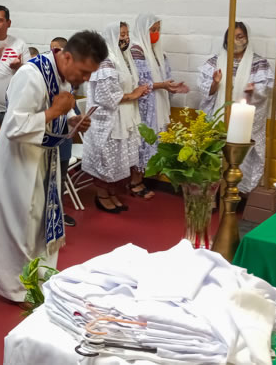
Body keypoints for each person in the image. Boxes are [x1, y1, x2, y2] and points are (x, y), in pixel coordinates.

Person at [0, 30, 106, 302]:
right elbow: (13, 126)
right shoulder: (31, 75)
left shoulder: (63, 75)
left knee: (40, 222)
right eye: (84, 72)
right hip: (19, 162)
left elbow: (60, 108)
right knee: (22, 224)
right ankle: (14, 287)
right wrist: (55, 113)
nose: (85, 79)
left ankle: (39, 277)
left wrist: (72, 121)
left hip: (44, 158)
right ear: (68, 57)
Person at [82, 22, 151, 214]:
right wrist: (134, 94)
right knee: (107, 160)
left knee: (118, 160)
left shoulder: (123, 58)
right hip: (107, 122)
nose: (126, 38)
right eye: (122, 35)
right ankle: (101, 196)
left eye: (127, 34)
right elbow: (105, 96)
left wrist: (138, 91)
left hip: (123, 117)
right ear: (111, 36)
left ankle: (112, 193)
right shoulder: (105, 61)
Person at [198, 22, 273, 193]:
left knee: (240, 158)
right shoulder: (215, 62)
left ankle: (235, 194)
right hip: (220, 118)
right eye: (232, 38)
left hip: (242, 121)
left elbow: (265, 89)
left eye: (240, 36)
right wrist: (215, 83)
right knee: (214, 157)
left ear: (247, 38)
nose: (237, 41)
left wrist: (254, 90)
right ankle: (213, 197)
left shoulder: (258, 63)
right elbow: (205, 90)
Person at [130, 13, 188, 195]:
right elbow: (139, 82)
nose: (155, 33)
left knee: (153, 140)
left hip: (157, 102)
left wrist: (172, 87)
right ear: (142, 30)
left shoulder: (158, 52)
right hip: (143, 106)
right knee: (141, 142)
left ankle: (141, 178)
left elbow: (165, 77)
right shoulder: (136, 51)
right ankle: (134, 181)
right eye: (152, 29)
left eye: (158, 29)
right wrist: (162, 85)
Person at [50, 37, 77, 227]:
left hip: (64, 136)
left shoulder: (69, 79)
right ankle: (46, 214)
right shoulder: (43, 77)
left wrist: (75, 119)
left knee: (61, 175)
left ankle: (59, 211)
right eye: (52, 50)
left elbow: (72, 107)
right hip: (47, 135)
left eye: (58, 50)